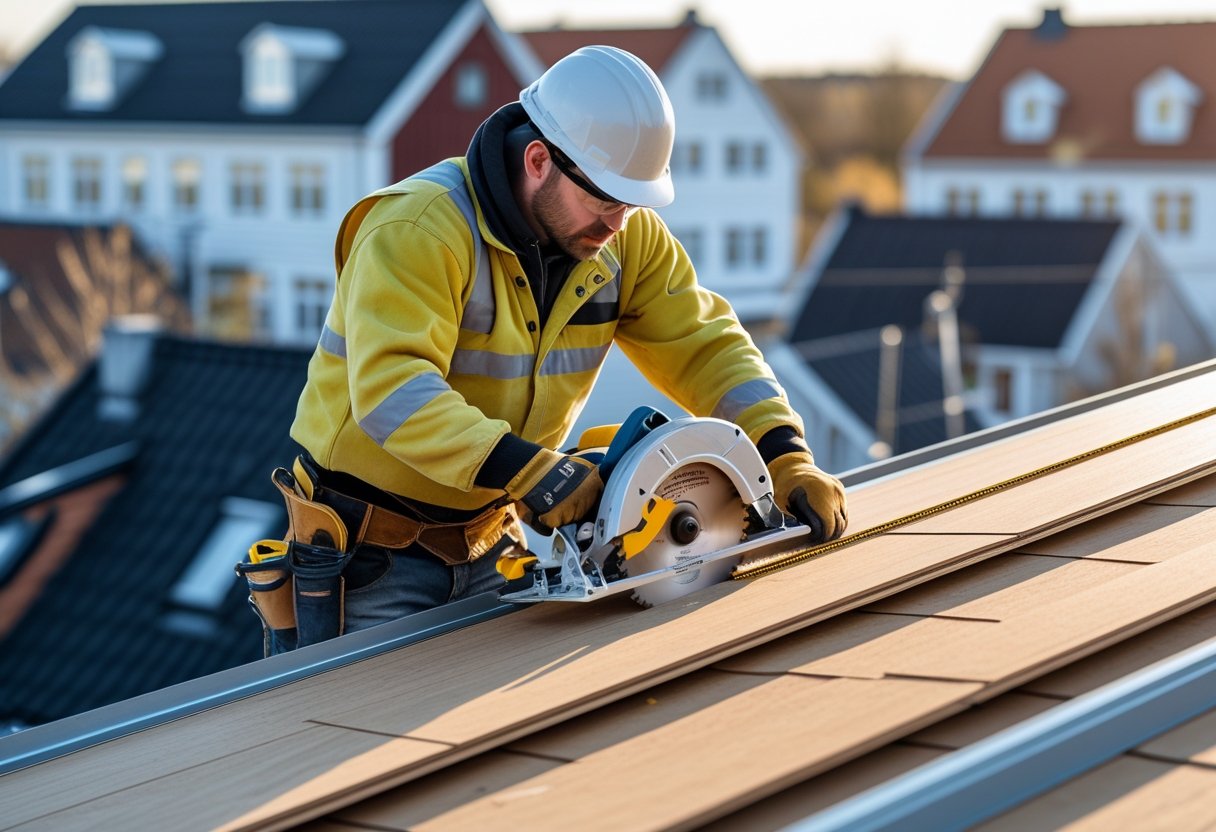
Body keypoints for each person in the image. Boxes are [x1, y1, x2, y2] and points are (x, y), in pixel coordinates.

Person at [263, 45, 847, 652]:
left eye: (631, 203)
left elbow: (705, 343)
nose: (617, 225)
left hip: (495, 539)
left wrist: (783, 453)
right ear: (539, 160)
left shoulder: (626, 236)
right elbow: (393, 393)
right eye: (604, 201)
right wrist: (533, 471)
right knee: (348, 733)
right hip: (369, 561)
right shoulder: (419, 228)